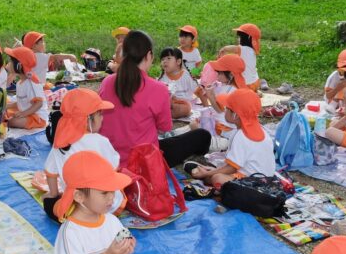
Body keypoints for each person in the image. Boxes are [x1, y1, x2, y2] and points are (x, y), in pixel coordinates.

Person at [98, 30, 211, 168]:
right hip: (143, 162)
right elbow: (165, 128)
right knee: (202, 136)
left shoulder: (106, 82)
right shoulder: (158, 88)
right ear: (149, 55)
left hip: (108, 157)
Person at [43, 89, 123, 221]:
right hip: (108, 204)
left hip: (77, 205)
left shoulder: (60, 144)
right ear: (88, 119)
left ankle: (79, 217)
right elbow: (114, 168)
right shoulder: (100, 141)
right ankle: (100, 217)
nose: (102, 118)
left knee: (49, 204)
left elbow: (50, 173)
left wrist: (53, 194)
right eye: (100, 114)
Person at [188, 89, 275, 186]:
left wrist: (208, 174)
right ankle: (210, 173)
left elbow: (232, 168)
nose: (225, 111)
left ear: (236, 115)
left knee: (217, 178)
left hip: (252, 182)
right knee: (217, 174)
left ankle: (208, 176)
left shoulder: (240, 136)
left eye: (227, 108)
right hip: (267, 180)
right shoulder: (263, 131)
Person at [197, 53, 246, 150]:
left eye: (219, 73)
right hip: (225, 123)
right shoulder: (229, 86)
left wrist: (211, 97)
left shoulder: (231, 90)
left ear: (231, 75)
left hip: (225, 126)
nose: (217, 75)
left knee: (196, 125)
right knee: (197, 122)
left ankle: (214, 142)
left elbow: (220, 110)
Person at [4, 46, 48, 129]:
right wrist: (6, 106)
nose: (8, 64)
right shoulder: (19, 83)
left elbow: (39, 103)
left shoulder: (31, 83)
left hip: (37, 117)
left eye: (11, 62)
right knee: (5, 113)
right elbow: (21, 103)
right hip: (27, 113)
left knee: (13, 121)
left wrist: (23, 114)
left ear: (19, 65)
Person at [158, 47, 197, 119]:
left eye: (168, 58)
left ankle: (168, 114)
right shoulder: (162, 78)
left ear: (178, 62)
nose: (164, 61)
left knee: (185, 108)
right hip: (168, 103)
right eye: (162, 59)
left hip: (182, 104)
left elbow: (197, 90)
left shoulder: (186, 75)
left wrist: (206, 107)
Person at [219, 23, 261, 89]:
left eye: (239, 37)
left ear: (247, 38)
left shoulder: (242, 49)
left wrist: (223, 49)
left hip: (246, 83)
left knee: (229, 82)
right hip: (255, 81)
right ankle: (254, 91)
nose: (238, 39)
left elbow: (230, 48)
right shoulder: (252, 50)